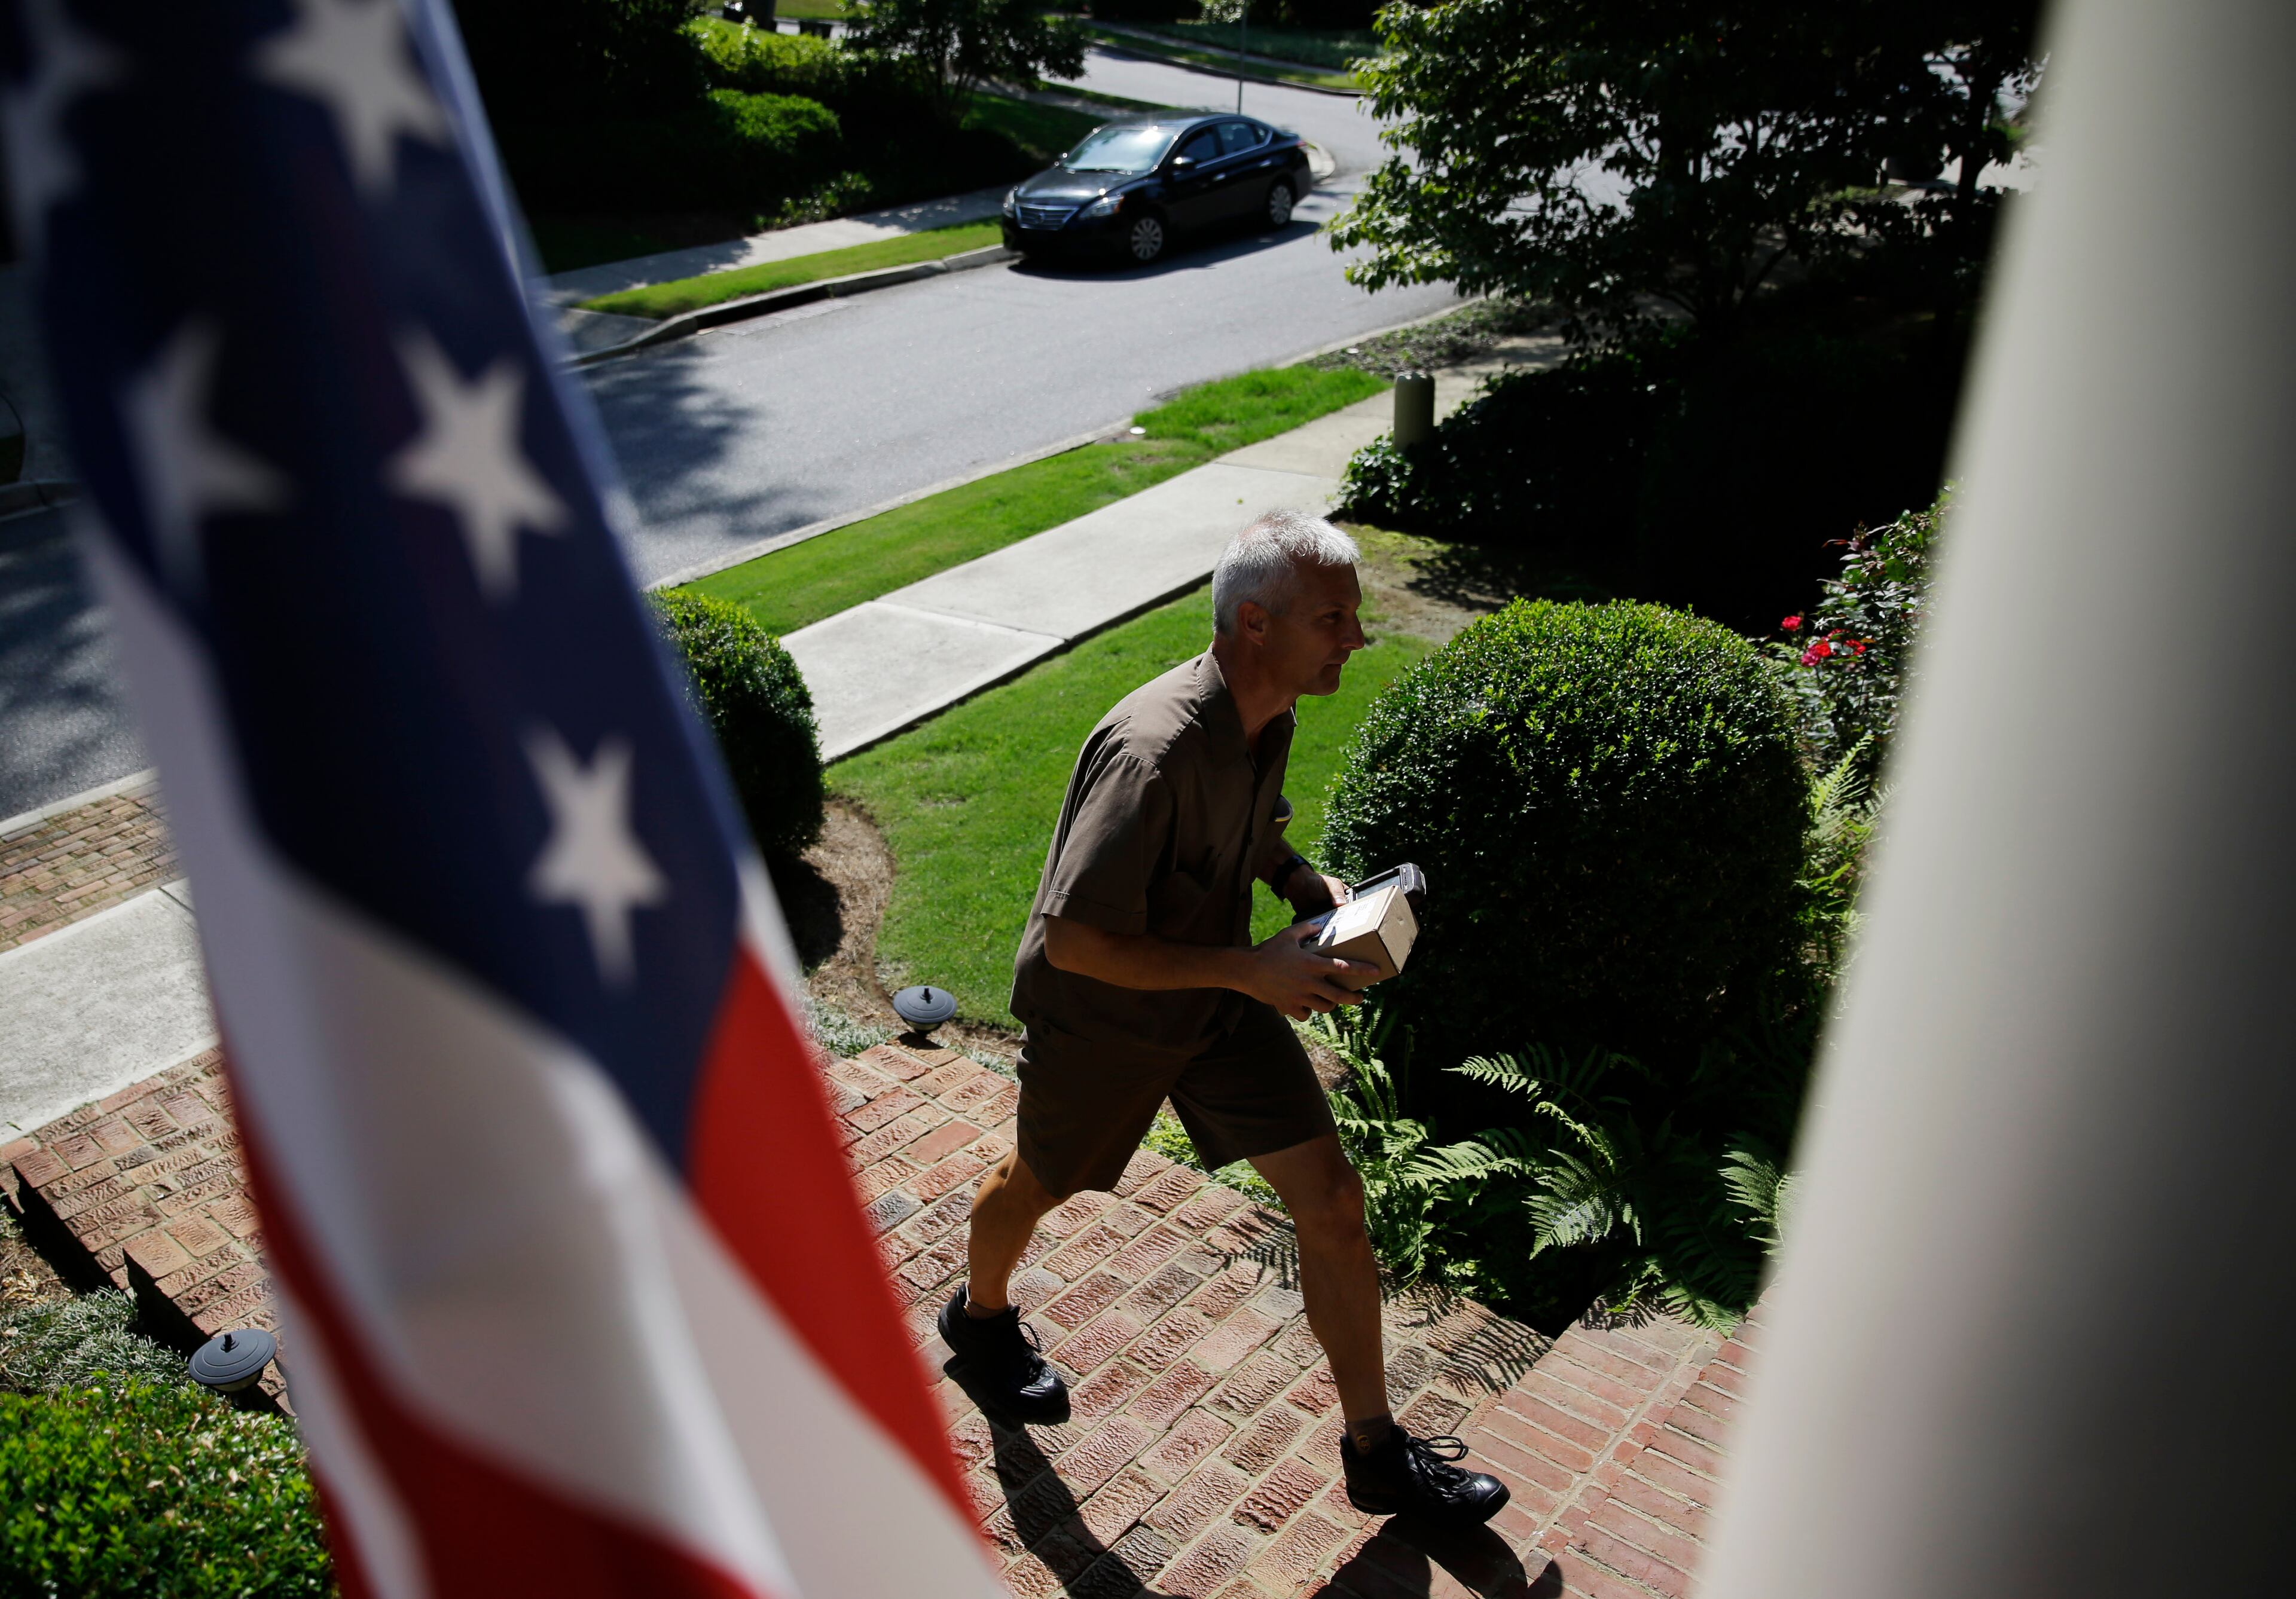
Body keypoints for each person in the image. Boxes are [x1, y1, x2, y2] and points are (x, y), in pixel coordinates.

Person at [938, 509, 1508, 1525]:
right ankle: (979, 1320)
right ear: (1256, 621)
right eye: (1335, 618)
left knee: (1331, 1199)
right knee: (1036, 1181)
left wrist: (1297, 879)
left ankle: (1375, 1451)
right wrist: (1251, 971)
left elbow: (1249, 833)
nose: (1357, 638)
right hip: (1104, 1018)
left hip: (1222, 995)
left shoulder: (1268, 712)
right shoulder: (1150, 752)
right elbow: (1073, 940)